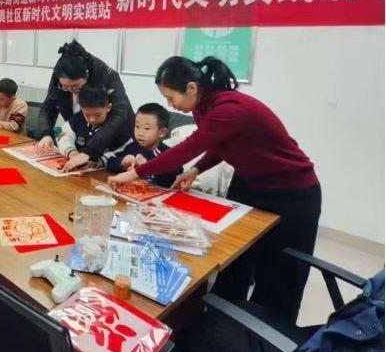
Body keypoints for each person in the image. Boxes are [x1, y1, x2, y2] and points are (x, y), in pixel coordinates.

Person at [108, 55, 321, 326]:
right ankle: (220, 327)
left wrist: (133, 173)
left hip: (291, 191)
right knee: (236, 259)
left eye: (171, 98)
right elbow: (221, 143)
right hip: (249, 182)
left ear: (191, 88)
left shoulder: (228, 108)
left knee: (280, 274)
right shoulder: (203, 107)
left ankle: (268, 338)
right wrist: (197, 169)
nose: (170, 105)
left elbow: (184, 150)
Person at [35, 40, 135, 164]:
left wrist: (89, 152)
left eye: (75, 86)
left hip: (116, 146)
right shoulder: (60, 75)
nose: (70, 90)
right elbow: (49, 106)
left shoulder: (106, 75)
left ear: (86, 75)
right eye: (65, 87)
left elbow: (118, 116)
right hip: (85, 143)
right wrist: (46, 134)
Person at [107, 103, 183, 187]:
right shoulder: (132, 147)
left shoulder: (168, 154)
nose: (140, 133)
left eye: (147, 128)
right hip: (131, 190)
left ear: (162, 133)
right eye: (137, 126)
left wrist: (147, 168)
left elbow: (174, 177)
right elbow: (110, 163)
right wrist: (122, 162)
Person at [57, 86, 126, 172]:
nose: (92, 119)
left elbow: (124, 149)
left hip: (103, 172)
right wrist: (72, 153)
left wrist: (103, 160)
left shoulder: (115, 125)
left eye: (98, 115)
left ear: (108, 108)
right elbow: (64, 137)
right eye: (87, 115)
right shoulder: (76, 120)